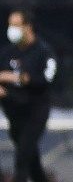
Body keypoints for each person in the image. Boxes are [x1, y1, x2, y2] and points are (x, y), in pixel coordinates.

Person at [0, 9, 57, 182]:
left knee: (22, 158)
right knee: (32, 161)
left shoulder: (43, 52)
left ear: (28, 27)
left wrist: (19, 77)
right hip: (14, 113)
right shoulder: (7, 53)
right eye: (10, 25)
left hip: (35, 112)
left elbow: (46, 79)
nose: (12, 29)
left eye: (16, 25)